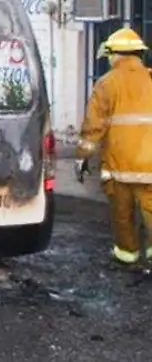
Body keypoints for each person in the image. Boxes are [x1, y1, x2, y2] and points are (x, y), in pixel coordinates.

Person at [76, 27, 152, 266]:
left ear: (115, 55)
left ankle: (127, 253)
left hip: (120, 164)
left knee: (122, 212)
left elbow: (93, 127)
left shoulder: (106, 83)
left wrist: (82, 157)